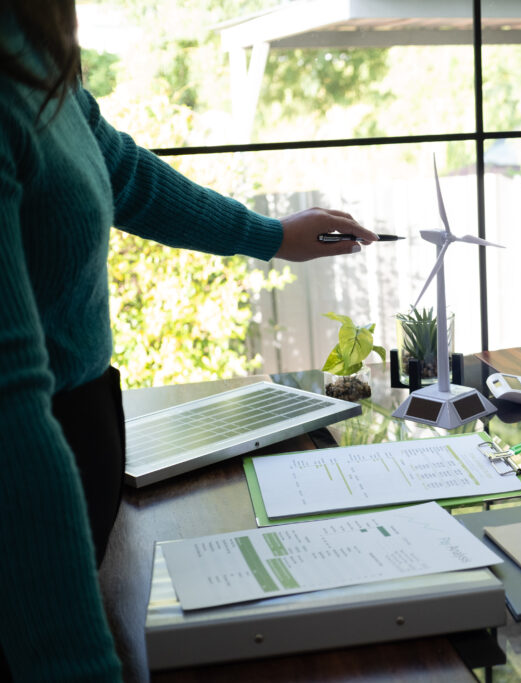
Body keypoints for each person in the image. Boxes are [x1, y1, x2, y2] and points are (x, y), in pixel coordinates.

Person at [0, 1, 380, 678]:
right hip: (30, 483)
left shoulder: (34, 47)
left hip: (83, 444)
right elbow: (10, 416)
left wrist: (270, 235)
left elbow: (121, 172)